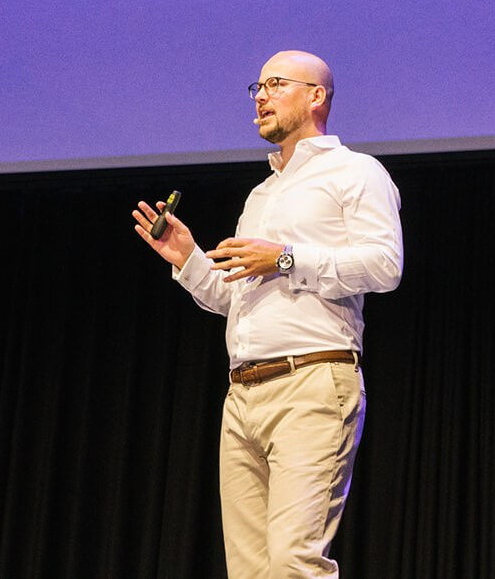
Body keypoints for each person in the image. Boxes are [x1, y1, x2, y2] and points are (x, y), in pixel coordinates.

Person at [132, 50, 403, 579]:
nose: (261, 96)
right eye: (257, 87)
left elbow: (385, 265)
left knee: (293, 562)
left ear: (316, 96)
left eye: (276, 84)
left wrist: (284, 258)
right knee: (250, 572)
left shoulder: (355, 172)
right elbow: (237, 298)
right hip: (242, 394)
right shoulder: (262, 194)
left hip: (312, 383)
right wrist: (187, 258)